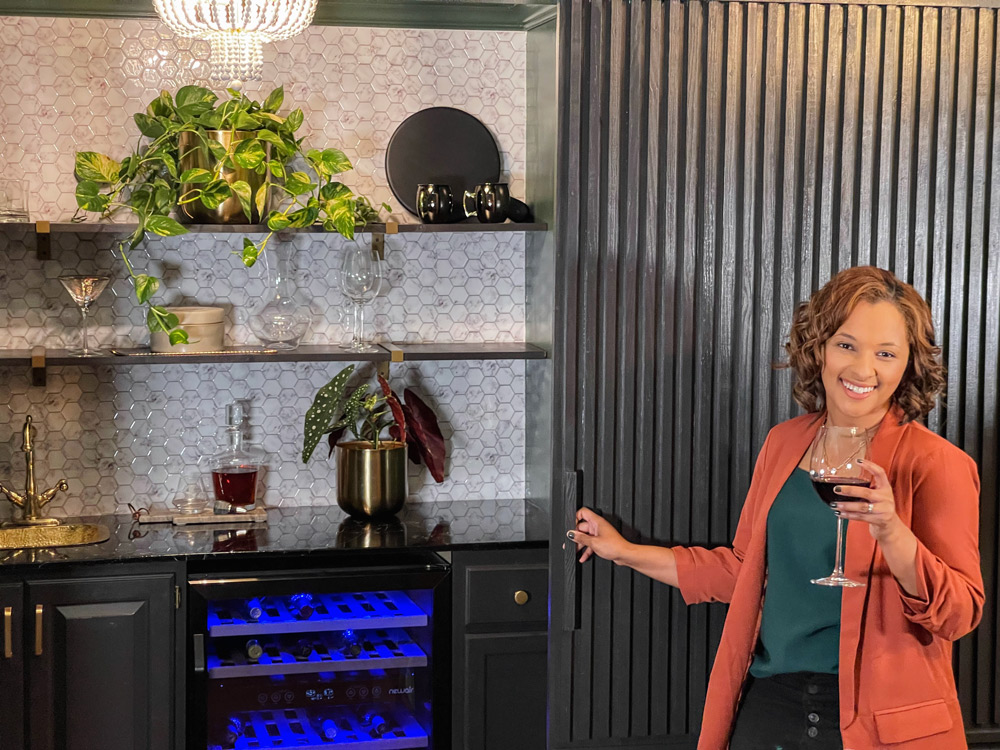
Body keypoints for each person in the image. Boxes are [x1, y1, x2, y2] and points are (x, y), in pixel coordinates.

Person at [568, 266, 983, 750]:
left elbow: (959, 614)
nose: (863, 369)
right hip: (771, 705)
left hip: (880, 725)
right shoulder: (784, 444)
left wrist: (892, 532)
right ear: (820, 347)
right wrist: (624, 551)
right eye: (846, 344)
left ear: (907, 364)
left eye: (885, 353)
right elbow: (740, 572)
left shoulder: (937, 465)